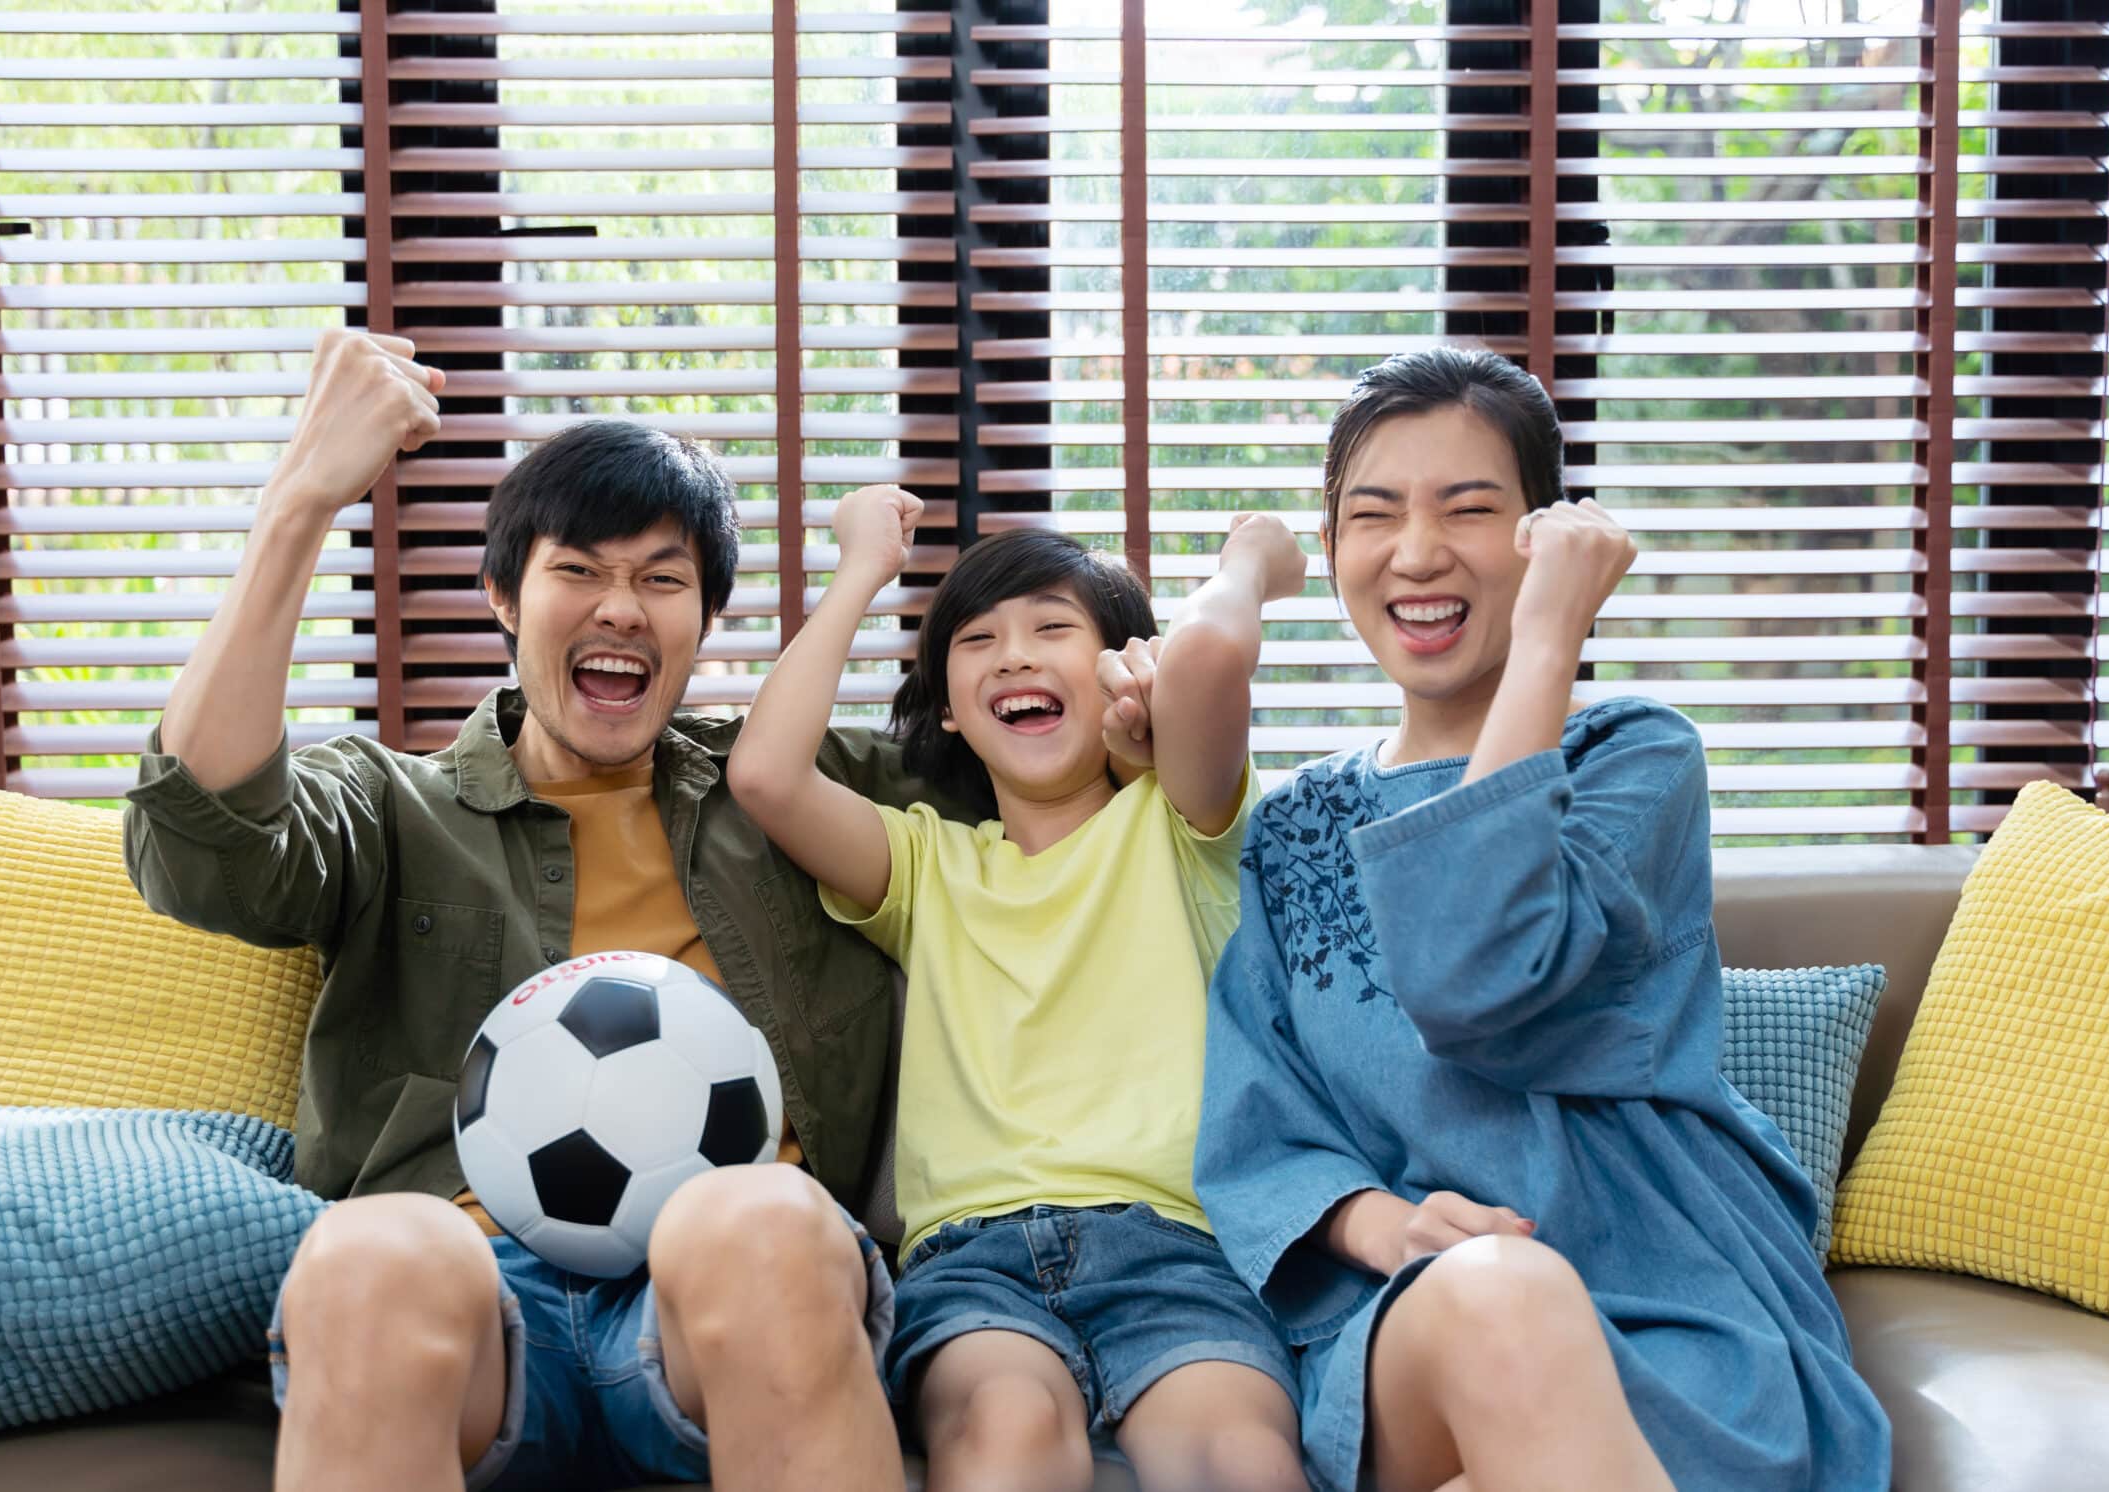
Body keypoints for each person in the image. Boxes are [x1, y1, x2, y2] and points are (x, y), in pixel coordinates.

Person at [124, 328, 940, 1492]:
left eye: (662, 579)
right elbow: (201, 848)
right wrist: (301, 499)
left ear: (704, 618)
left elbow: (1041, 765)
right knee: (362, 1251)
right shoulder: (392, 805)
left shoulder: (796, 791)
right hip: (469, 1299)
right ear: (503, 596)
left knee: (768, 1220)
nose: (622, 608)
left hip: (715, 1302)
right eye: (579, 571)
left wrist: (1133, 693)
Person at [1193, 346, 1894, 1491]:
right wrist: (1389, 1229)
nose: (1417, 550)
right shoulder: (1296, 826)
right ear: (1331, 548)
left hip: (1670, 1305)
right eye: (1373, 514)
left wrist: (1550, 638)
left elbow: (1474, 971)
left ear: (1541, 538)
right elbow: (1259, 1127)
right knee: (1500, 1293)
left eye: (1468, 508)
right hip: (1422, 1319)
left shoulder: (1632, 759)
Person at [725, 489, 1310, 1492]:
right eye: (977, 640)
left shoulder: (1183, 825)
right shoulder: (927, 865)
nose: (1013, 657)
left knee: (1240, 1458)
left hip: (1179, 1251)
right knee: (1007, 1430)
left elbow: (1209, 665)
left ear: (1124, 669)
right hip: (972, 1259)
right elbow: (767, 777)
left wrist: (1251, 556)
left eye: (1052, 629)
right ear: (951, 709)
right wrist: (863, 567)